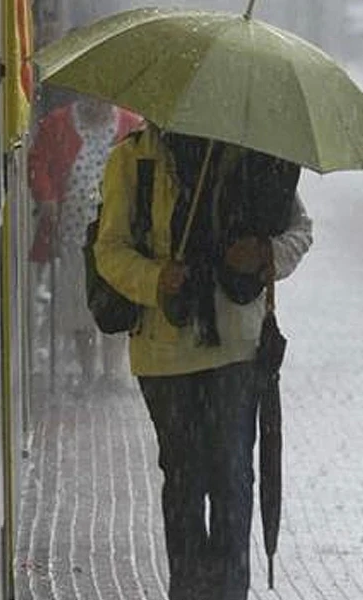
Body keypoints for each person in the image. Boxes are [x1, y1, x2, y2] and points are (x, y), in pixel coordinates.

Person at [94, 124, 313, 600]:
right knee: (185, 480)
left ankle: (229, 591)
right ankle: (190, 590)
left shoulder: (252, 156)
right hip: (164, 354)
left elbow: (300, 228)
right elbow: (108, 249)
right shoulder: (133, 161)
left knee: (233, 478)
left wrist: (266, 253)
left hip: (236, 347)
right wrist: (156, 278)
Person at [28, 97, 142, 391]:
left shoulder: (131, 125)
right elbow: (37, 162)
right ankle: (89, 370)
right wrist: (47, 197)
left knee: (115, 297)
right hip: (73, 234)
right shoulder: (58, 124)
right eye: (92, 97)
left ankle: (113, 372)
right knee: (79, 302)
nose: (98, 104)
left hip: (117, 234)